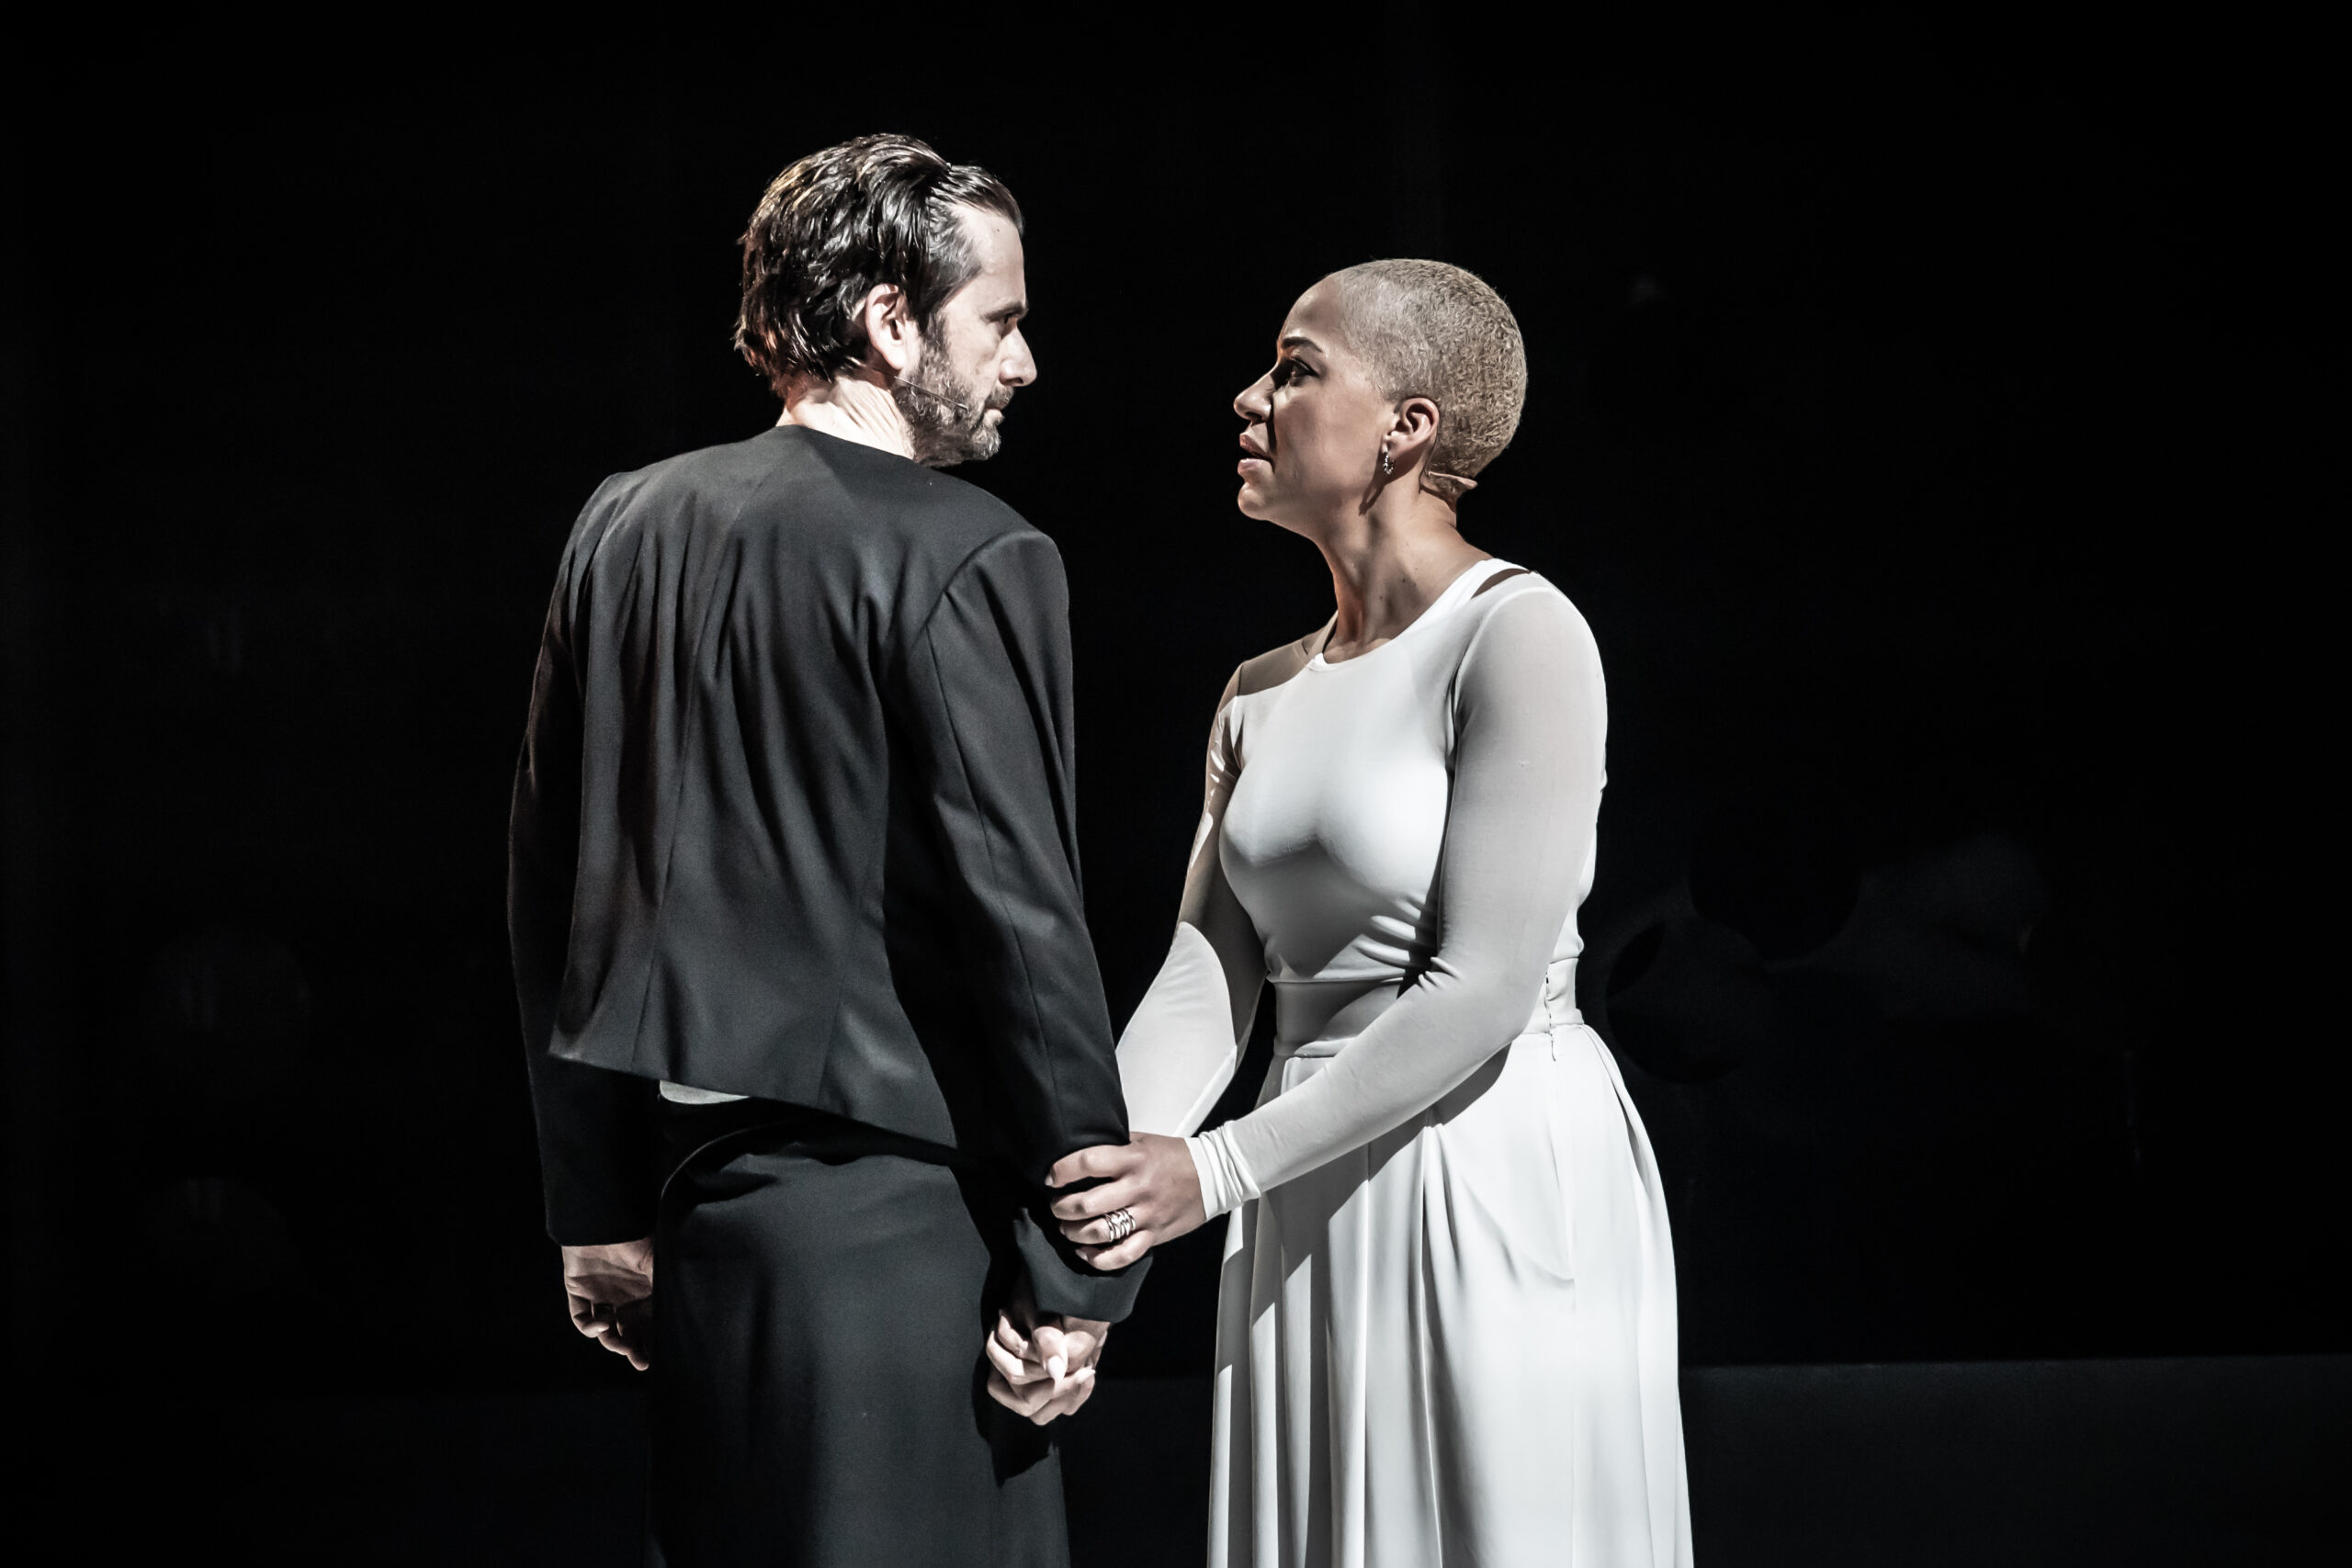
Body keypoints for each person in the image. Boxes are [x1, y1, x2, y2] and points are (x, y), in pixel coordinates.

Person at [507, 134, 1146, 1568]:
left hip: (701, 1228)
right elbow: (1026, 929)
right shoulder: (974, 551)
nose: (1025, 362)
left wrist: (596, 1206)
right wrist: (1076, 1276)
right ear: (890, 322)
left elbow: (549, 896)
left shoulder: (622, 523)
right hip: (907, 1244)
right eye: (1002, 318)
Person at [1046, 262, 1693, 1565]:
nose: (1250, 397)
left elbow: (1484, 987)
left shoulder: (1517, 634)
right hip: (1301, 1174)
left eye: (1295, 368)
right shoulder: (1258, 690)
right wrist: (1088, 1249)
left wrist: (1214, 1172)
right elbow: (1205, 973)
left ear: (1408, 427)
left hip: (1485, 1157)